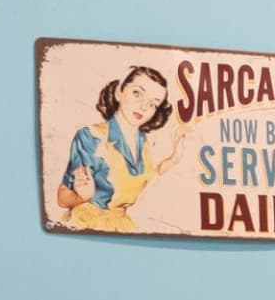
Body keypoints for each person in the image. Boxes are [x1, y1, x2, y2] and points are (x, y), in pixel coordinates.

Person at [57, 64, 182, 233]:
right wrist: (81, 197)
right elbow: (62, 197)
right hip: (88, 224)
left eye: (153, 104)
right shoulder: (92, 137)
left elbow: (148, 177)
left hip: (120, 225)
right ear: (118, 92)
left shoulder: (143, 142)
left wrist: (174, 158)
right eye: (137, 93)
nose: (144, 107)